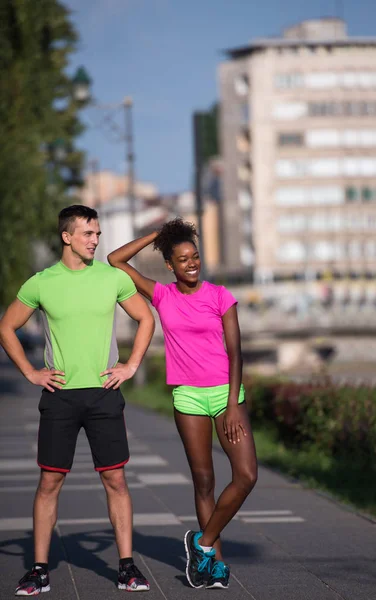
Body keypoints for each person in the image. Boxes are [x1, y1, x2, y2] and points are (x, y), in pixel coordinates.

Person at [0, 205, 155, 596]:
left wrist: (131, 365)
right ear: (67, 236)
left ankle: (125, 567)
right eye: (88, 233)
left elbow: (146, 318)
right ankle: (38, 569)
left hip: (104, 393)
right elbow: (7, 327)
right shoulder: (41, 282)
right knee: (49, 481)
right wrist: (31, 372)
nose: (96, 240)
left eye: (98, 233)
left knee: (115, 478)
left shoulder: (112, 277)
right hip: (60, 397)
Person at [108, 218, 258, 590]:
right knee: (204, 480)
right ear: (170, 265)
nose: (192, 263)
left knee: (246, 475)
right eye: (183, 258)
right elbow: (115, 259)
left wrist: (234, 404)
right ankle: (214, 564)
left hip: (226, 395)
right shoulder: (162, 295)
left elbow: (236, 352)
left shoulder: (221, 295)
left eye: (195, 256)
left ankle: (202, 542)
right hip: (188, 396)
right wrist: (157, 237)